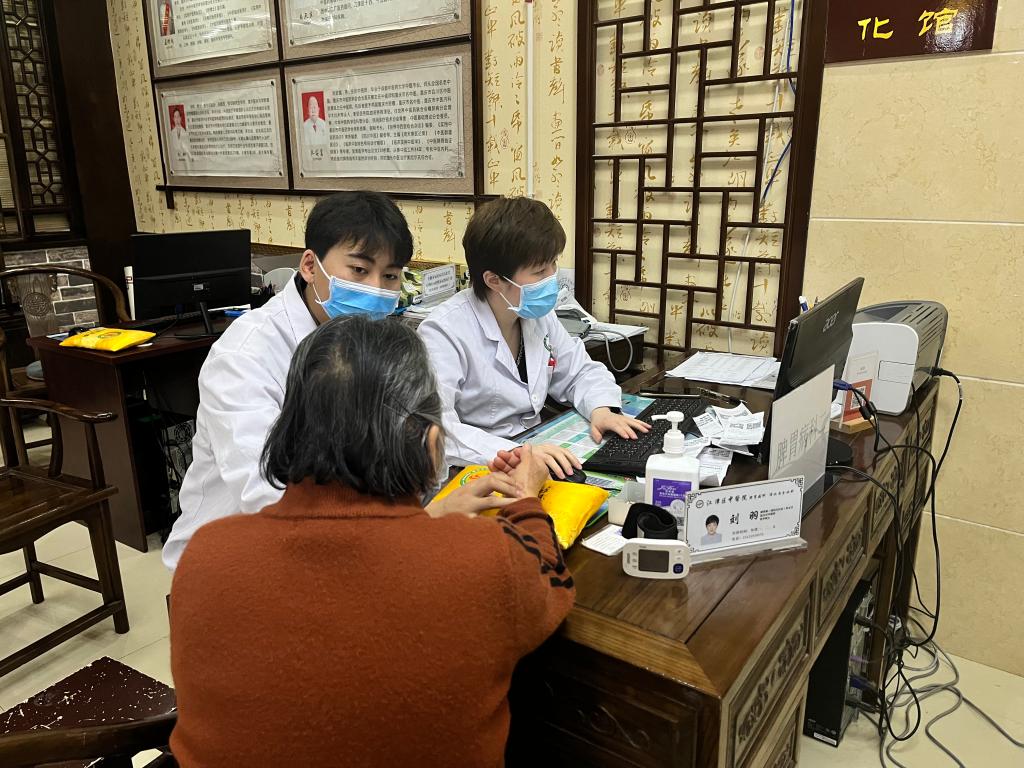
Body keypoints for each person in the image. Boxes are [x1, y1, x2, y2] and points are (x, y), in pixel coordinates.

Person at [169, 316, 575, 768]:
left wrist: (428, 519)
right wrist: (525, 497)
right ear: (431, 443)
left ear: (287, 429)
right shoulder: (484, 561)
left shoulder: (205, 554)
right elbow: (549, 577)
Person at [162, 191, 507, 570]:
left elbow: (426, 428)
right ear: (310, 266)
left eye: (390, 276)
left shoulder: (378, 343)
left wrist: (507, 454)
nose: (376, 289)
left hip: (351, 534)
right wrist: (418, 523)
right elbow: (266, 493)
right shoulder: (245, 355)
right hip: (238, 555)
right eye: (359, 271)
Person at [418, 196, 649, 478]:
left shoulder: (536, 314)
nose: (552, 277)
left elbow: (578, 371)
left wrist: (601, 408)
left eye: (553, 264)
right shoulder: (443, 332)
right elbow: (438, 428)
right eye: (540, 271)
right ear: (494, 280)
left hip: (535, 445)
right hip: (479, 465)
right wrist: (516, 453)